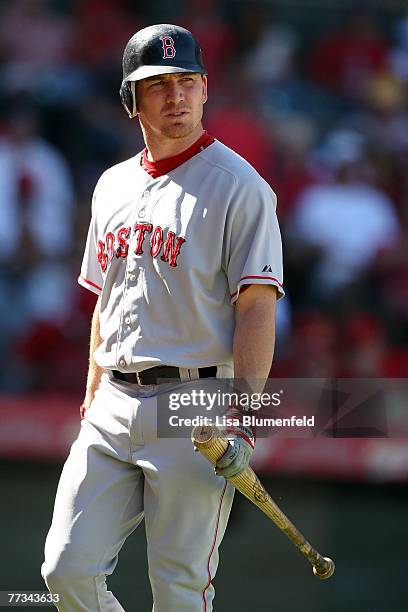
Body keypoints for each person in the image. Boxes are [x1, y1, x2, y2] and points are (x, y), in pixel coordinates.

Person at [41, 23, 284, 611]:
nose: (175, 96)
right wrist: (93, 389)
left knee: (178, 590)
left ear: (205, 90)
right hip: (113, 402)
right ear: (132, 100)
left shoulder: (240, 187)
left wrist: (243, 415)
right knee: (65, 569)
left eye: (186, 81)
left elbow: (255, 307)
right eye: (158, 85)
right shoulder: (111, 185)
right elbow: (107, 297)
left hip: (196, 406)